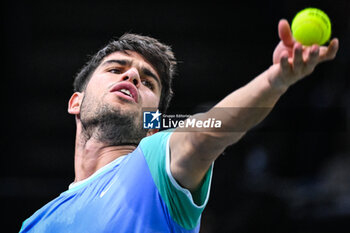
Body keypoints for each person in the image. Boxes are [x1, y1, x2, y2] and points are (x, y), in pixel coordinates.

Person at [19, 19, 339, 233]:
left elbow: (207, 132)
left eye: (148, 82)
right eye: (116, 68)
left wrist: (277, 79)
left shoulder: (155, 160)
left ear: (152, 125)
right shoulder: (36, 225)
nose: (131, 77)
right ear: (76, 101)